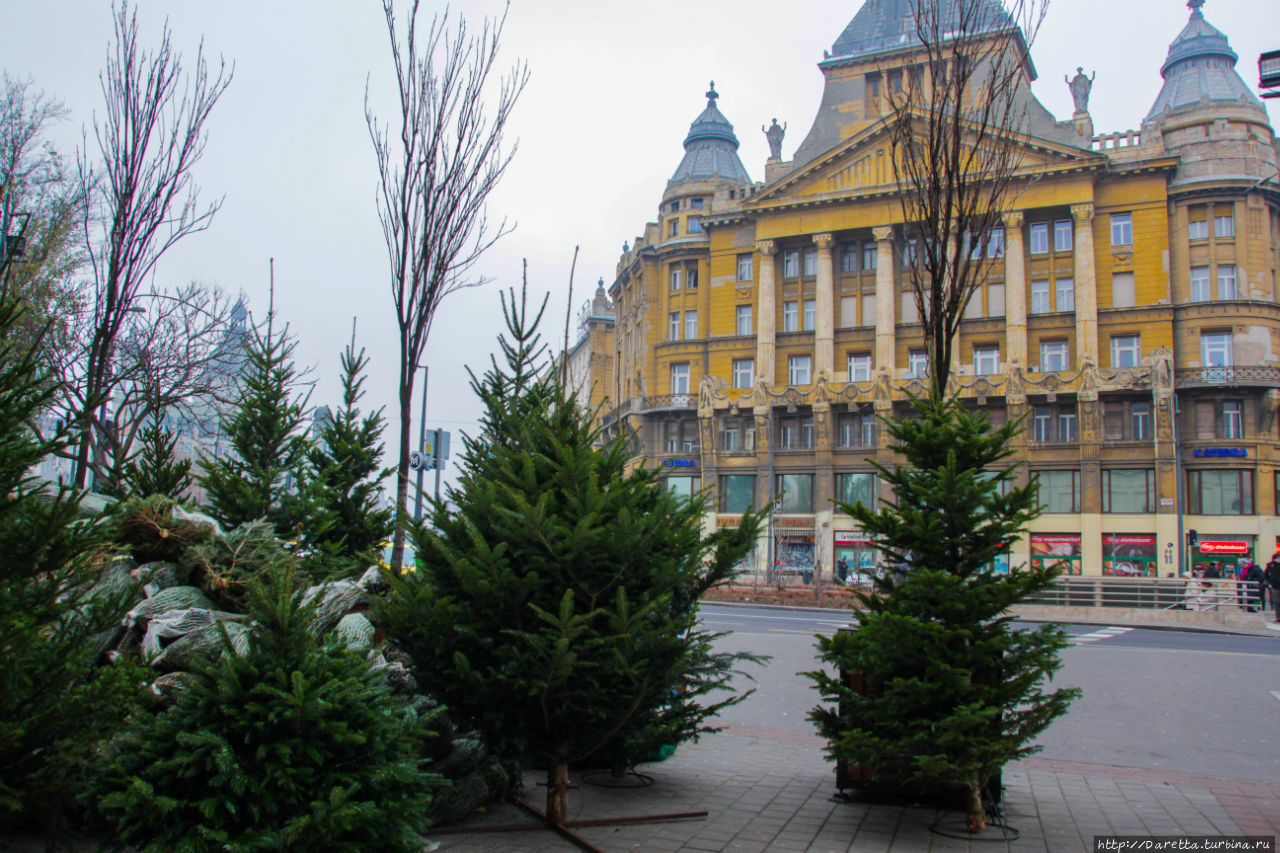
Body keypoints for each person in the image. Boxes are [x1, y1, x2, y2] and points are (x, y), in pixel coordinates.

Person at [1265, 553, 1280, 622]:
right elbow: (1266, 575)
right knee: (1277, 602)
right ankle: (1278, 617)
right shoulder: (1271, 565)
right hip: (1275, 586)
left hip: (1275, 585)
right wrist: (1269, 583)